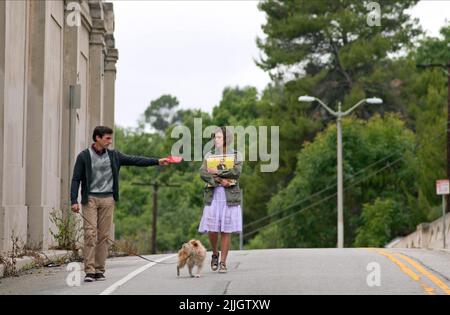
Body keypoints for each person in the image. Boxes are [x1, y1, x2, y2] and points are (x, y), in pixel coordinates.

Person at [70, 126, 170, 282]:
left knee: (103, 236)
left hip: (108, 199)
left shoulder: (114, 155)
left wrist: (157, 161)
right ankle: (89, 271)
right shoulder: (84, 156)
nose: (110, 141)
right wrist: (73, 200)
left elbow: (135, 160)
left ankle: (99, 270)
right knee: (90, 234)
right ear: (97, 138)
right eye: (107, 138)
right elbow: (76, 179)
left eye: (111, 138)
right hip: (89, 199)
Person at [198, 127, 243, 273]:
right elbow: (203, 172)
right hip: (213, 195)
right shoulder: (209, 155)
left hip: (229, 196)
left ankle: (223, 262)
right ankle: (215, 254)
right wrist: (219, 179)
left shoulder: (236, 155)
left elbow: (236, 171)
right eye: (215, 137)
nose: (215, 140)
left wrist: (216, 172)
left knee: (226, 230)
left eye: (219, 137)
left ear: (226, 139)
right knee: (212, 228)